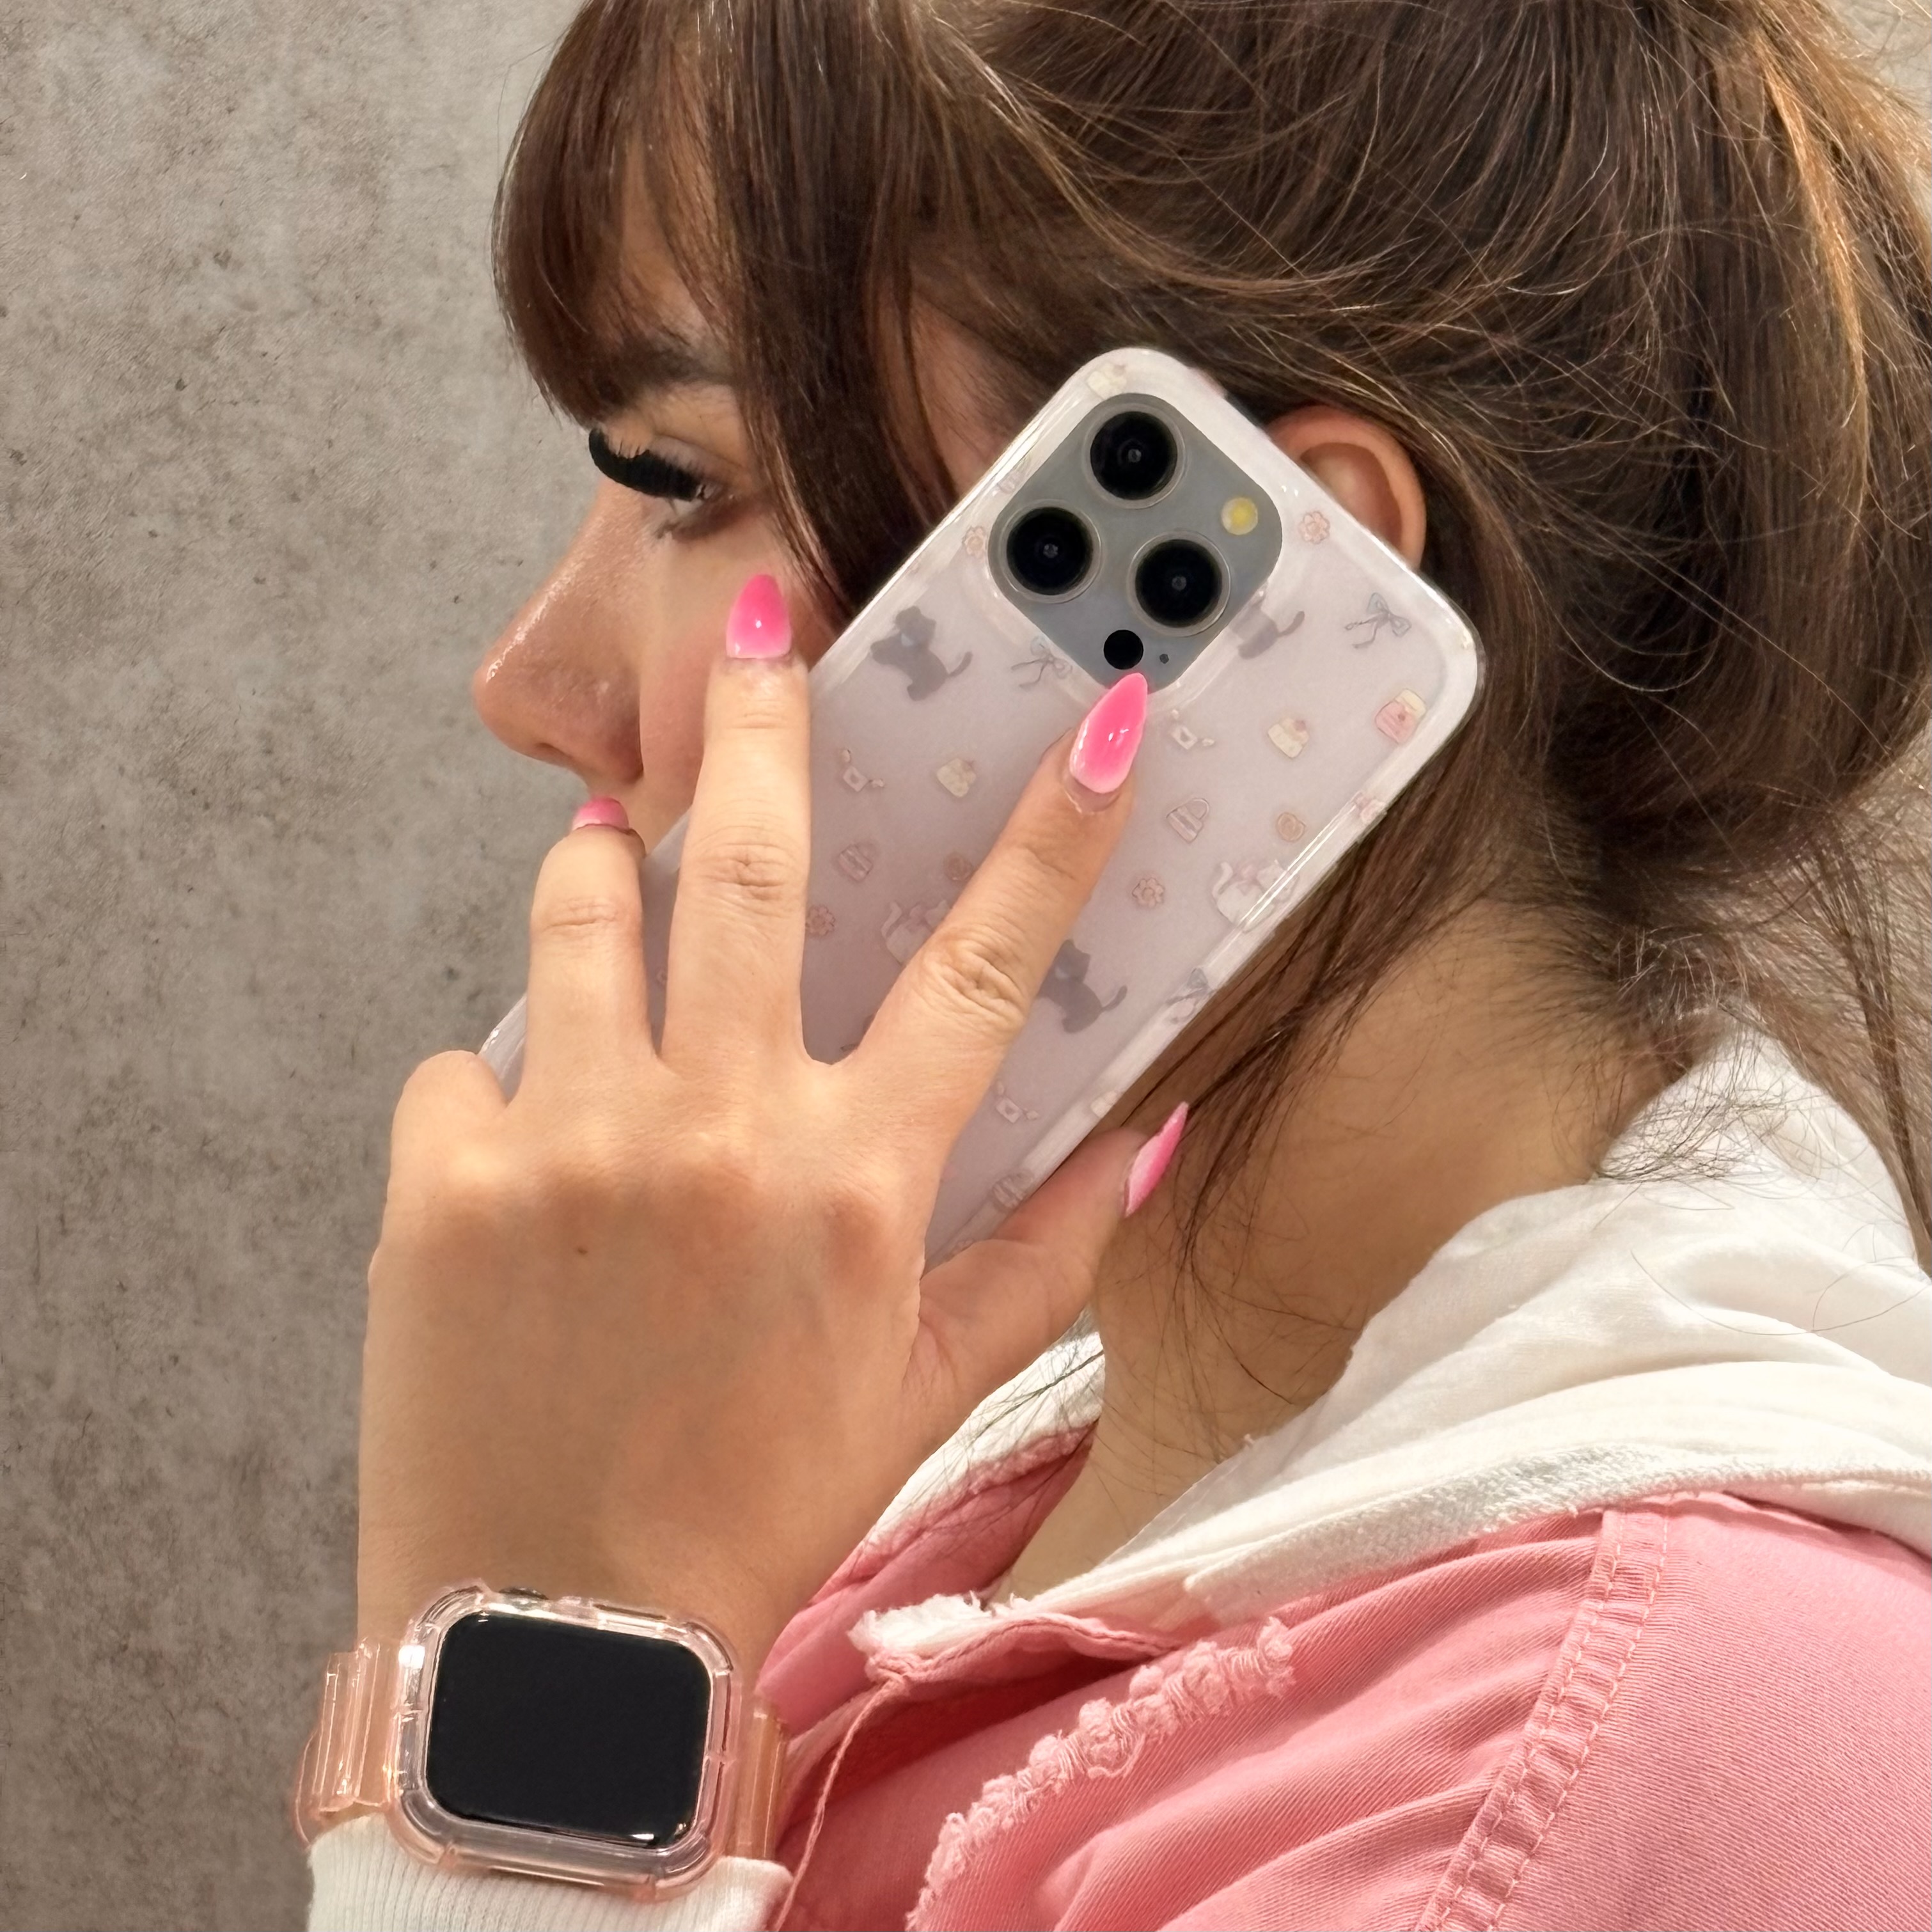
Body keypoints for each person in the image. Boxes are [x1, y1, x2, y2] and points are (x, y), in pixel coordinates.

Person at [306, 1, 1931, 1925]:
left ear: (1256, 591)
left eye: (680, 480)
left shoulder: (1594, 1780)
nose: (531, 683)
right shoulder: (993, 1462)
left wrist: (553, 1666)